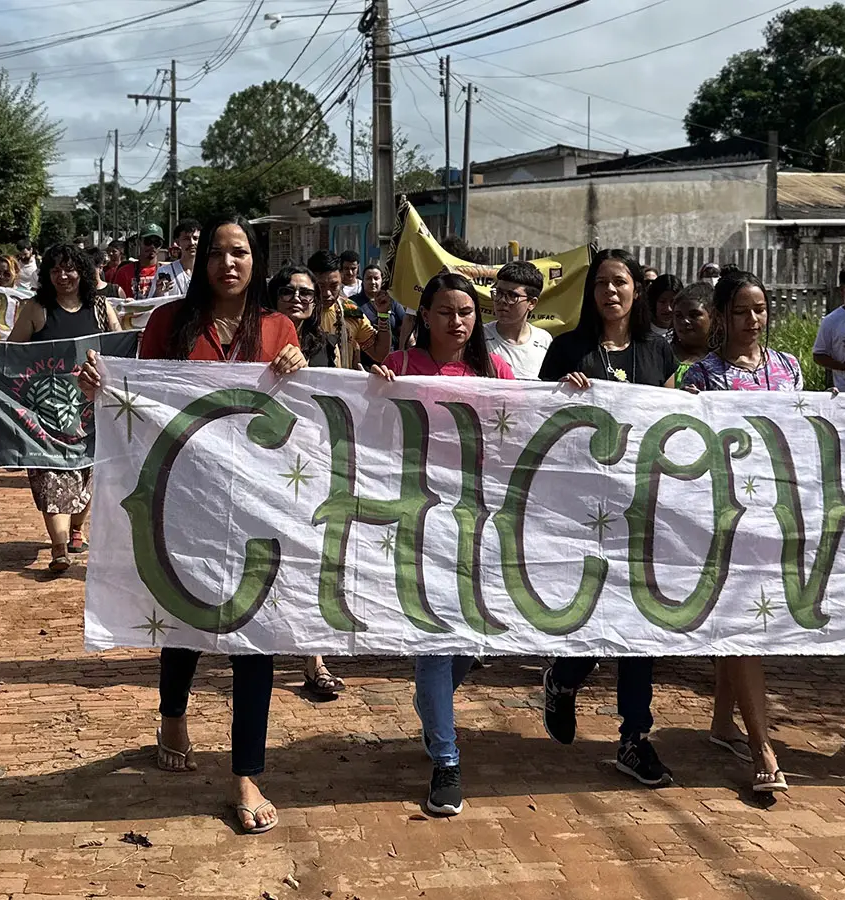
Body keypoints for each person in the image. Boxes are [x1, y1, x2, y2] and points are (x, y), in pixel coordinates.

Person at [75, 217, 306, 836]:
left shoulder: (282, 328)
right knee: (187, 612)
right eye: (218, 253)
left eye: (242, 253)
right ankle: (172, 713)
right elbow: (141, 397)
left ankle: (246, 772)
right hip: (188, 496)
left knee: (257, 635)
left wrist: (300, 365)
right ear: (201, 260)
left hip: (262, 505)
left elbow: (304, 410)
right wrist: (104, 384)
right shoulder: (168, 323)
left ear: (256, 262)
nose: (230, 263)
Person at [368, 272, 514, 816]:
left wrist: (567, 392)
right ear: (423, 315)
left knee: (474, 640)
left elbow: (526, 424)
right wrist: (374, 389)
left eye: (467, 312)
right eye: (446, 311)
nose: (457, 321)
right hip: (416, 523)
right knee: (435, 638)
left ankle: (431, 704)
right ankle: (446, 759)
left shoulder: (493, 371)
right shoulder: (400, 369)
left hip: (478, 522)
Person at [538, 249, 677, 788]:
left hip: (642, 505)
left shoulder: (656, 349)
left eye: (620, 282)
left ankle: (634, 737)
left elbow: (666, 420)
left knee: (638, 618)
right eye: (601, 283)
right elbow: (540, 420)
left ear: (635, 291)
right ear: (589, 292)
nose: (611, 291)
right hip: (583, 508)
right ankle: (566, 675)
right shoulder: (566, 349)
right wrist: (560, 397)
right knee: (597, 610)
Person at [682, 271, 801, 793]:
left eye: (759, 310)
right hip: (721, 515)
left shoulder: (789, 369)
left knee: (745, 622)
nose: (752, 321)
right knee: (740, 622)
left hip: (776, 515)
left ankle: (720, 722)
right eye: (740, 312)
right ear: (721, 317)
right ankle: (762, 747)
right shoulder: (701, 376)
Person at [7, 245, 122, 576]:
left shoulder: (100, 308)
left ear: (83, 272)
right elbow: (11, 353)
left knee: (86, 476)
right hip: (45, 413)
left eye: (70, 269)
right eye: (56, 270)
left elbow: (119, 348)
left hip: (91, 411)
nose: (63, 276)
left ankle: (75, 530)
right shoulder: (36, 308)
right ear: (47, 275)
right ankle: (59, 548)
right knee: (51, 477)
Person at [261, 264, 348, 700]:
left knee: (313, 555)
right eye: (288, 290)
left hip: (311, 462)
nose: (298, 299)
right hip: (260, 462)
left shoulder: (327, 345)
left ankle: (315, 660)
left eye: (307, 294)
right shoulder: (252, 338)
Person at [308, 250, 386, 369]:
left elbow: (379, 353)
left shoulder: (350, 310)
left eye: (334, 286)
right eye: (320, 286)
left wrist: (384, 315)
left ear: (342, 279)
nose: (327, 293)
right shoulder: (298, 312)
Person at [484, 260, 552, 380]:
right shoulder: (480, 337)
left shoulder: (544, 341)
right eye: (498, 293)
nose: (502, 301)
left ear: (531, 303)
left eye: (512, 296)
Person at [667, 280, 716, 387]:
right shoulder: (662, 356)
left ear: (713, 316)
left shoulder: (725, 362)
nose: (685, 321)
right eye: (678, 315)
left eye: (694, 315)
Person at [114, 224, 166, 299]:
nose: (152, 246)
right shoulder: (124, 272)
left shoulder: (166, 271)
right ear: (139, 242)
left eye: (157, 243)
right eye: (148, 242)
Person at [153, 219, 201, 298]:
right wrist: (158, 293)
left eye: (195, 238)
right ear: (177, 242)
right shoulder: (165, 271)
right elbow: (152, 305)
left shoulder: (208, 270)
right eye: (187, 239)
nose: (192, 243)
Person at [647, 273, 682, 341]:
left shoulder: (684, 334)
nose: (668, 309)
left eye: (672, 302)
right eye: (662, 302)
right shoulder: (640, 332)